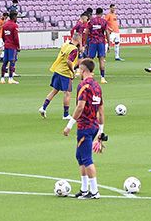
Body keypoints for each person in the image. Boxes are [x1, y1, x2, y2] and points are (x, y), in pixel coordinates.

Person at [63, 58, 105, 200]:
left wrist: (69, 125)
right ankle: (84, 189)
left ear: (84, 70)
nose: (78, 72)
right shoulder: (97, 86)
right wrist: (101, 129)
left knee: (86, 158)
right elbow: (101, 109)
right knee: (79, 156)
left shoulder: (84, 86)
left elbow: (80, 106)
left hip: (85, 126)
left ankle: (94, 191)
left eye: (79, 69)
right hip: (93, 125)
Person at [41, 34, 82, 119]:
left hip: (58, 70)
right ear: (78, 40)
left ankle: (43, 107)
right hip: (65, 73)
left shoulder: (65, 45)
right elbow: (69, 61)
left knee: (54, 91)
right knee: (67, 93)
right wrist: (73, 71)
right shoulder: (74, 49)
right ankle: (66, 114)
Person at [86, 6, 109, 84]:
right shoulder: (104, 21)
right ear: (102, 13)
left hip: (92, 42)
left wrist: (86, 42)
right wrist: (108, 43)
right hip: (101, 42)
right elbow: (107, 32)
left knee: (90, 59)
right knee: (101, 60)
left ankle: (89, 75)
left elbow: (86, 31)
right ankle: (102, 78)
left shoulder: (91, 21)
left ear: (96, 13)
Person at [0, 11, 20, 84]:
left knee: (5, 62)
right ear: (14, 17)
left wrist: (6, 42)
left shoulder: (5, 25)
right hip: (12, 46)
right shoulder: (14, 25)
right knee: (12, 61)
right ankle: (10, 78)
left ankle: (2, 78)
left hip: (6, 45)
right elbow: (16, 37)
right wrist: (18, 46)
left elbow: (2, 36)